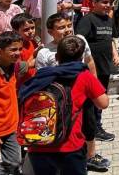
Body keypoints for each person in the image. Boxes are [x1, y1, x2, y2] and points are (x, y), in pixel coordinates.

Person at [24, 35, 110, 175]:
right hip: (70, 145)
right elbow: (103, 103)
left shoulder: (41, 75)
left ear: (57, 57)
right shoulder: (83, 75)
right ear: (81, 57)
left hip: (39, 144)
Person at [76, 0, 119, 143]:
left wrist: (115, 55)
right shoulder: (87, 20)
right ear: (94, 3)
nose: (108, 5)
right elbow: (79, 42)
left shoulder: (108, 20)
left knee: (100, 98)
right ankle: (92, 128)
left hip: (104, 68)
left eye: (110, 2)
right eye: (104, 2)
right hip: (90, 71)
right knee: (91, 102)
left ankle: (97, 125)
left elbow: (110, 40)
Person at [0, 31, 25, 175]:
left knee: (14, 162)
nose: (17, 53)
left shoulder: (16, 67)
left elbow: (30, 63)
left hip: (11, 127)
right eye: (13, 49)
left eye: (19, 49)